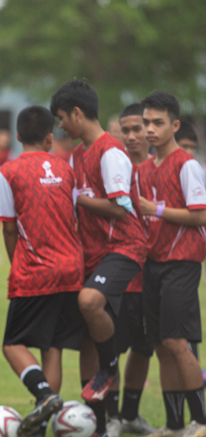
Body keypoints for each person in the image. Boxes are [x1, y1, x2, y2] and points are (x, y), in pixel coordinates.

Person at [51, 80, 147, 436]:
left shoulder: (111, 152)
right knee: (87, 340)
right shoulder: (78, 154)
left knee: (89, 302)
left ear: (77, 113)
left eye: (62, 118)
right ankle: (99, 426)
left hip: (123, 248)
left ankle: (110, 366)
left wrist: (74, 198)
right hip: (91, 255)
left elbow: (120, 208)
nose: (61, 125)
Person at [0, 106, 84, 437]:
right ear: (49, 137)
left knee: (12, 344)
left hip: (37, 270)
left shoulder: (8, 171)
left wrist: (18, 263)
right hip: (72, 267)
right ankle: (43, 422)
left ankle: (45, 396)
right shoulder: (66, 168)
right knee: (52, 345)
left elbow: (9, 227)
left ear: (17, 136)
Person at [137, 92, 206, 437]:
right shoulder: (146, 168)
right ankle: (175, 424)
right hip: (153, 263)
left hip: (182, 262)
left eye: (157, 123)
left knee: (178, 341)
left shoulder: (187, 165)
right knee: (162, 345)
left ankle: (201, 421)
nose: (149, 129)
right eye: (146, 122)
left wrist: (158, 210)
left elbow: (201, 215)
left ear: (175, 126)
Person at [102, 103, 157, 437]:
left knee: (143, 347)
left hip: (154, 276)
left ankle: (131, 414)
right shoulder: (115, 170)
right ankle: (111, 417)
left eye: (140, 128)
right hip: (120, 277)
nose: (134, 135)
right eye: (128, 129)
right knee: (110, 350)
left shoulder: (159, 170)